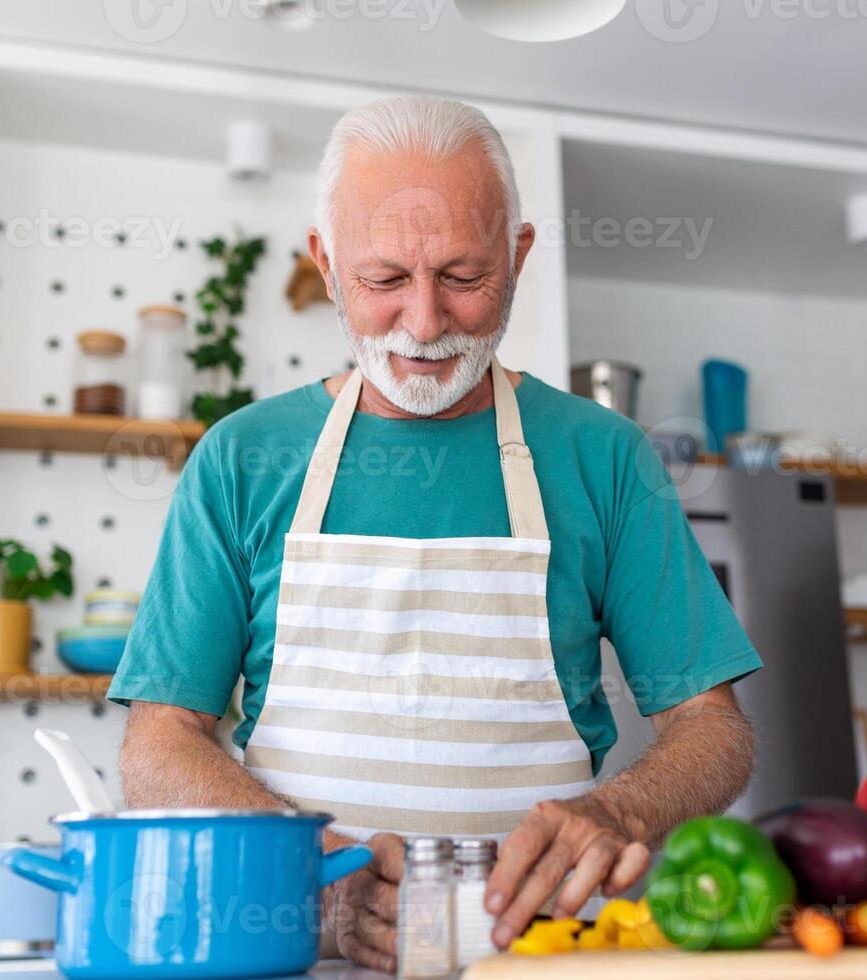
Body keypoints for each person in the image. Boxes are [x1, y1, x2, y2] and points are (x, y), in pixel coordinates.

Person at [110, 94, 760, 973]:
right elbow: (158, 743)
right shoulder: (243, 459)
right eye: (383, 281)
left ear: (518, 258)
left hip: (542, 957)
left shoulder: (604, 457)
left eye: (463, 276)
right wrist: (316, 875)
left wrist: (622, 812)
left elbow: (714, 728)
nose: (424, 323)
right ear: (327, 264)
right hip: (302, 951)